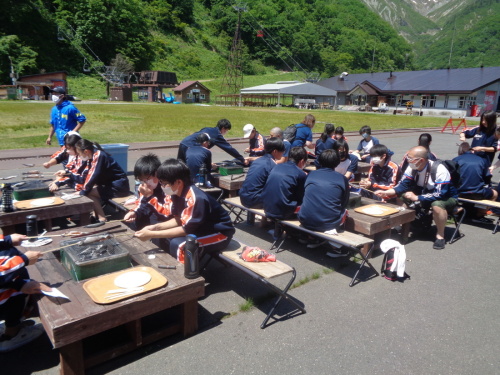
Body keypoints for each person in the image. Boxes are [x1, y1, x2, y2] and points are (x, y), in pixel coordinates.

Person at [134, 159, 234, 258]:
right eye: (161, 183)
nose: (162, 186)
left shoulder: (195, 198)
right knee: (165, 238)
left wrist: (152, 234)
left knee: (181, 245)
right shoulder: (175, 193)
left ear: (178, 182)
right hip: (200, 229)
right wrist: (154, 228)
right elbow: (178, 219)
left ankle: (185, 273)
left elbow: (186, 229)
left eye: (164, 183)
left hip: (219, 234)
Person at [375, 146, 458, 250]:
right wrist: (386, 192)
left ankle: (440, 236)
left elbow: (440, 194)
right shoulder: (412, 168)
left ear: (421, 160)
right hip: (425, 194)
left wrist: (417, 197)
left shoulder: (440, 169)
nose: (407, 160)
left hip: (446, 197)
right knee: (401, 196)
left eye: (410, 158)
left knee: (437, 205)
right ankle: (405, 224)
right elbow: (402, 185)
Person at [51, 139, 130, 223]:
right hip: (110, 185)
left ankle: (101, 218)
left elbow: (93, 175)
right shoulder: (91, 156)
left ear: (86, 151)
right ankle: (98, 216)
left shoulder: (98, 156)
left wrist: (83, 191)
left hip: (119, 187)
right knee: (88, 191)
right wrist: (67, 173)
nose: (79, 156)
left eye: (80, 153)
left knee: (88, 192)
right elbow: (86, 175)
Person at [0, 233, 48, 353]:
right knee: (15, 301)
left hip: (7, 282)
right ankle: (12, 334)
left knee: (21, 291)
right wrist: (24, 260)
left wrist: (7, 240)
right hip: (4, 293)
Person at [298, 149, 350, 236]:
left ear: (320, 161)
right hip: (328, 224)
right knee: (345, 212)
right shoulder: (342, 178)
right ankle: (334, 244)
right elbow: (344, 202)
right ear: (337, 162)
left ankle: (311, 238)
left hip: (304, 219)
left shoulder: (311, 174)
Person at [453, 142, 499, 223]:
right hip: (477, 193)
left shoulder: (456, 160)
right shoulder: (482, 160)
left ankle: (459, 210)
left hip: (459, 192)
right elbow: (487, 177)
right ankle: (479, 215)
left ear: (460, 151)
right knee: (494, 193)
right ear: (472, 150)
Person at [124, 153, 172, 230]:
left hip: (164, 219)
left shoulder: (167, 187)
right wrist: (134, 213)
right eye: (141, 180)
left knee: (154, 220)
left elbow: (167, 212)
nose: (144, 182)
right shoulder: (144, 187)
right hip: (152, 214)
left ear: (157, 173)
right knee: (133, 222)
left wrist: (149, 197)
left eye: (146, 179)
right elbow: (142, 204)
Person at [239, 137, 285, 210]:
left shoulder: (257, 161)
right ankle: (269, 220)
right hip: (255, 201)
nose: (283, 154)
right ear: (275, 151)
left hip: (243, 197)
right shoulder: (272, 165)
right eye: (282, 151)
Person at [262, 147, 308, 220]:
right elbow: (301, 196)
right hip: (283, 212)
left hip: (266, 207)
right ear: (302, 161)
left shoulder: (277, 167)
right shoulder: (300, 173)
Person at [177, 119, 245, 165]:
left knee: (180, 164)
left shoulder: (207, 128)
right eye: (226, 130)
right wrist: (241, 158)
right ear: (223, 128)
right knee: (192, 165)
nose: (226, 132)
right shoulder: (217, 135)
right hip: (191, 146)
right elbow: (228, 148)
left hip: (184, 142)